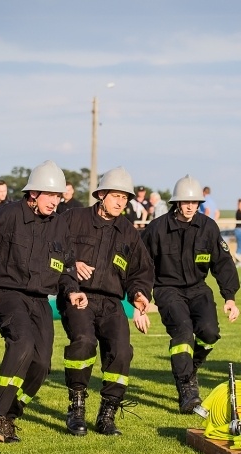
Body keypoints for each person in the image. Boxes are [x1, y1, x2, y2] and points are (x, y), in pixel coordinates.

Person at [0, 160, 86, 444]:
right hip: (7, 293)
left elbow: (65, 268)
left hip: (40, 300)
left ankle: (10, 415)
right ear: (33, 194)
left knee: (41, 364)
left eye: (58, 196)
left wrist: (73, 289)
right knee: (23, 343)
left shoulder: (59, 226)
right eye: (50, 195)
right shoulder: (7, 216)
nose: (55, 201)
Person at [57, 167, 154, 436]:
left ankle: (107, 413)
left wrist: (139, 295)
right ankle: (76, 408)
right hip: (78, 296)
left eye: (125, 197)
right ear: (100, 195)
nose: (121, 202)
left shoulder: (129, 232)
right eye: (115, 196)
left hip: (112, 303)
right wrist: (71, 266)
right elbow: (52, 248)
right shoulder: (73, 219)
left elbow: (140, 272)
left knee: (122, 351)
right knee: (84, 342)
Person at [141, 174, 240, 413]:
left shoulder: (208, 227)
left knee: (210, 333)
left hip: (198, 289)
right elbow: (142, 266)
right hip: (167, 290)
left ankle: (189, 369)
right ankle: (187, 389)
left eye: (194, 202)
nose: (189, 206)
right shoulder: (157, 229)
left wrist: (229, 297)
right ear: (176, 203)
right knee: (183, 333)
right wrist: (140, 299)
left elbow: (223, 263)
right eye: (185, 202)